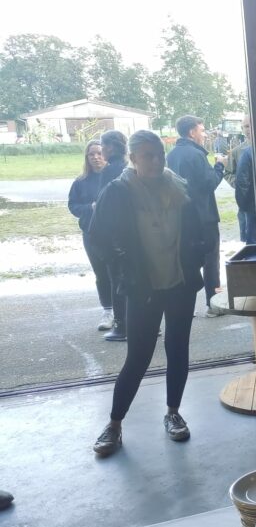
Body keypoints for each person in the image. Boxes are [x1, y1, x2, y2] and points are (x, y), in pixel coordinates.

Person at [88, 130, 210, 456]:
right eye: (148, 156)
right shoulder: (119, 191)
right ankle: (114, 424)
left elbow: (198, 229)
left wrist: (197, 256)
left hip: (180, 283)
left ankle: (173, 413)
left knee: (178, 349)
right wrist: (123, 268)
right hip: (143, 287)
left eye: (159, 154)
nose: (156, 161)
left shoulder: (178, 187)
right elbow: (97, 237)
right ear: (133, 159)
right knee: (138, 357)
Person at [166, 115, 226, 316]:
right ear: (192, 132)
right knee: (211, 262)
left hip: (182, 217)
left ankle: (185, 305)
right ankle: (213, 303)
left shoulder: (171, 155)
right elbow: (209, 183)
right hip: (204, 217)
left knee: (186, 261)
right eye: (202, 130)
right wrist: (219, 165)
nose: (205, 134)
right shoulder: (197, 155)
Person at [67, 140, 112, 330]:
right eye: (91, 154)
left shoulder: (115, 177)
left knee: (119, 272)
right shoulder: (80, 182)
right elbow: (73, 206)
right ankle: (108, 310)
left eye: (99, 153)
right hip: (91, 233)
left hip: (115, 233)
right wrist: (89, 208)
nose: (96, 157)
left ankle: (125, 311)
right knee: (101, 273)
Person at [99, 129, 130, 341]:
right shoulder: (128, 167)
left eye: (102, 146)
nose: (101, 150)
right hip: (131, 235)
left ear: (110, 147)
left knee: (117, 281)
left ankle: (122, 326)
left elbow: (104, 207)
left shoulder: (110, 171)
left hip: (116, 237)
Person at [224, 116, 256, 244]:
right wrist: (238, 183)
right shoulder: (237, 151)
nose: (247, 130)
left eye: (249, 126)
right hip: (246, 202)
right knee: (248, 239)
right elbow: (228, 172)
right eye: (244, 127)